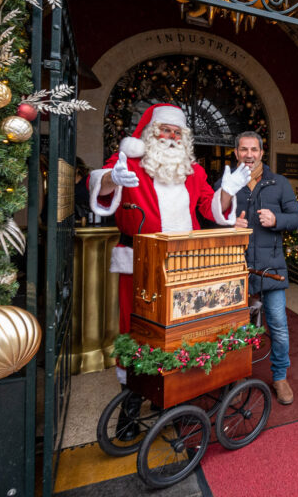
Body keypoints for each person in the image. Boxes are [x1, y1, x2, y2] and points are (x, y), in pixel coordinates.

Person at [89, 103, 251, 378]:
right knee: (137, 323)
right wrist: (111, 179)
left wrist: (227, 192)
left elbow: (207, 207)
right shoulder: (128, 163)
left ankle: (177, 381)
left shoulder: (194, 172)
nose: (172, 137)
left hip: (184, 261)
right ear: (152, 133)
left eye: (178, 132)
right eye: (166, 130)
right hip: (139, 260)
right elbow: (99, 186)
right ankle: (134, 384)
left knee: (181, 322)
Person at [227, 131, 298, 405]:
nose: (249, 154)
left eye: (254, 150)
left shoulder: (279, 183)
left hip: (272, 268)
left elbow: (297, 218)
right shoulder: (227, 185)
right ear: (236, 153)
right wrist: (227, 224)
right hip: (235, 269)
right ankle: (234, 376)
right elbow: (205, 217)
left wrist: (277, 219)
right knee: (235, 327)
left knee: (279, 327)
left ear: (262, 152)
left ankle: (280, 376)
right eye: (244, 149)